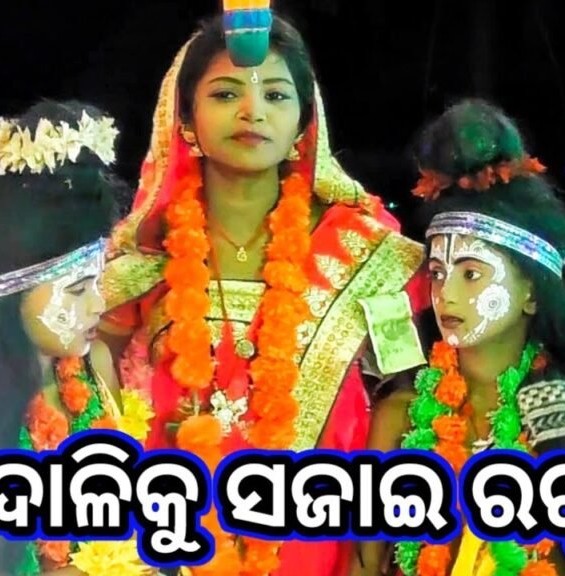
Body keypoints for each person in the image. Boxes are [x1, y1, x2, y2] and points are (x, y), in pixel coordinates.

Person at [99, 13, 429, 576]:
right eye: (225, 94)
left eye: (275, 95)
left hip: (325, 544)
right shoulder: (142, 260)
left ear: (304, 122)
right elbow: (92, 400)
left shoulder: (365, 251)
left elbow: (402, 392)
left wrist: (371, 546)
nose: (252, 111)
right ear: (185, 119)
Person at [356, 99, 565, 576]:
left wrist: (561, 453)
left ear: (531, 293)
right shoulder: (400, 412)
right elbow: (363, 565)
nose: (446, 294)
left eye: (471, 273)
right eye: (437, 273)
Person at [0, 99, 157, 576]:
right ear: (11, 298)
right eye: (78, 289)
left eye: (97, 284)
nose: (97, 306)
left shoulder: (95, 369)